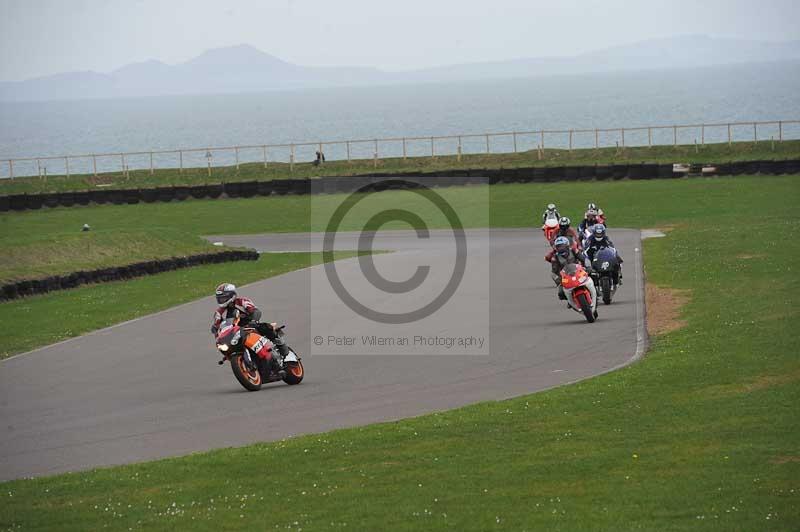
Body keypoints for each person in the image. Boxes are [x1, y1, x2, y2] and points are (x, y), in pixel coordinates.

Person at [210, 283, 289, 372]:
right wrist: (218, 338)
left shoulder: (242, 301)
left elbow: (256, 311)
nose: (221, 300)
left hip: (250, 326)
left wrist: (253, 321)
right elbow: (217, 327)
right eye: (219, 298)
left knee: (266, 328)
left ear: (232, 295)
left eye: (224, 298)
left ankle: (283, 351)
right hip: (235, 333)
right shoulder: (218, 313)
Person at [547, 236, 589, 301]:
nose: (561, 248)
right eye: (558, 246)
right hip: (566, 276)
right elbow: (554, 272)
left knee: (593, 275)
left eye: (562, 246)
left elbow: (583, 259)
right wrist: (559, 281)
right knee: (561, 293)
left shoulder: (573, 250)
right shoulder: (555, 257)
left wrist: (588, 267)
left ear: (567, 245)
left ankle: (595, 292)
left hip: (579, 271)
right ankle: (570, 301)